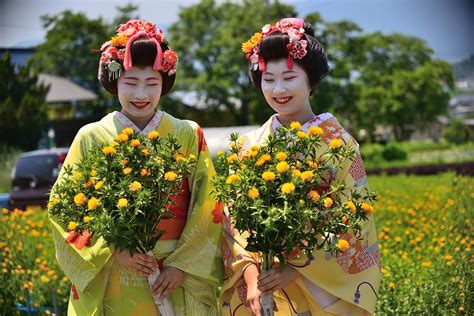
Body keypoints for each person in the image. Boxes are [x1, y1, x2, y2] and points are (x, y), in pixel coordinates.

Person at [49, 19, 223, 315]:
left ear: (163, 84)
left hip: (175, 271)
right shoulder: (91, 137)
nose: (141, 94)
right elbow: (63, 207)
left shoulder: (188, 133)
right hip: (115, 272)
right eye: (131, 83)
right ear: (115, 81)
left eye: (151, 83)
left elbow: (210, 202)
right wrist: (114, 250)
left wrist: (182, 265)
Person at [221, 18, 381, 315]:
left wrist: (295, 269)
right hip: (262, 282)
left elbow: (354, 222)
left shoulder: (338, 144)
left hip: (317, 281)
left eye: (289, 77)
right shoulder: (246, 147)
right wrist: (252, 276)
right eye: (268, 79)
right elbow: (232, 223)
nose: (278, 89)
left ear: (312, 81)